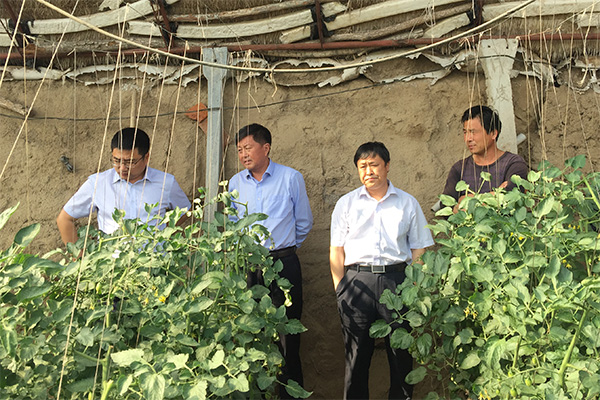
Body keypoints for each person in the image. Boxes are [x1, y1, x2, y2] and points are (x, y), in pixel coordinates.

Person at [330, 141, 434, 400]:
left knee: (401, 357)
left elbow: (419, 250)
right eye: (362, 166)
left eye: (374, 165)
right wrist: (341, 290)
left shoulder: (407, 203)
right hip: (356, 283)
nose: (368, 171)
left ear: (387, 166)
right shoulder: (346, 204)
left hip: (397, 281)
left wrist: (413, 288)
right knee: (356, 358)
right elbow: (336, 251)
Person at [228, 123, 313, 397]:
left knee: (287, 336)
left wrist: (283, 250)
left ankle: (289, 394)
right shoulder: (235, 183)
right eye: (239, 150)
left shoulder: (290, 178)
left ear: (265, 148)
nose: (243, 154)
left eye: (248, 148)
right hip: (248, 267)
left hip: (283, 265)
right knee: (251, 333)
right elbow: (232, 225)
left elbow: (304, 222)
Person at [56, 127, 191, 244]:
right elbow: (64, 219)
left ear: (146, 158)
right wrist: (79, 258)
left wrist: (164, 232)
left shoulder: (166, 182)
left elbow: (186, 211)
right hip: (111, 264)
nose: (122, 168)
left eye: (130, 162)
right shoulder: (98, 183)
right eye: (116, 160)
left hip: (153, 262)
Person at [443, 105, 529, 203]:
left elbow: (511, 196)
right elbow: (446, 205)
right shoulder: (459, 168)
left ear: (493, 133)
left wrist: (464, 200)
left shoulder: (513, 163)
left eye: (473, 132)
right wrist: (495, 195)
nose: (468, 138)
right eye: (465, 132)